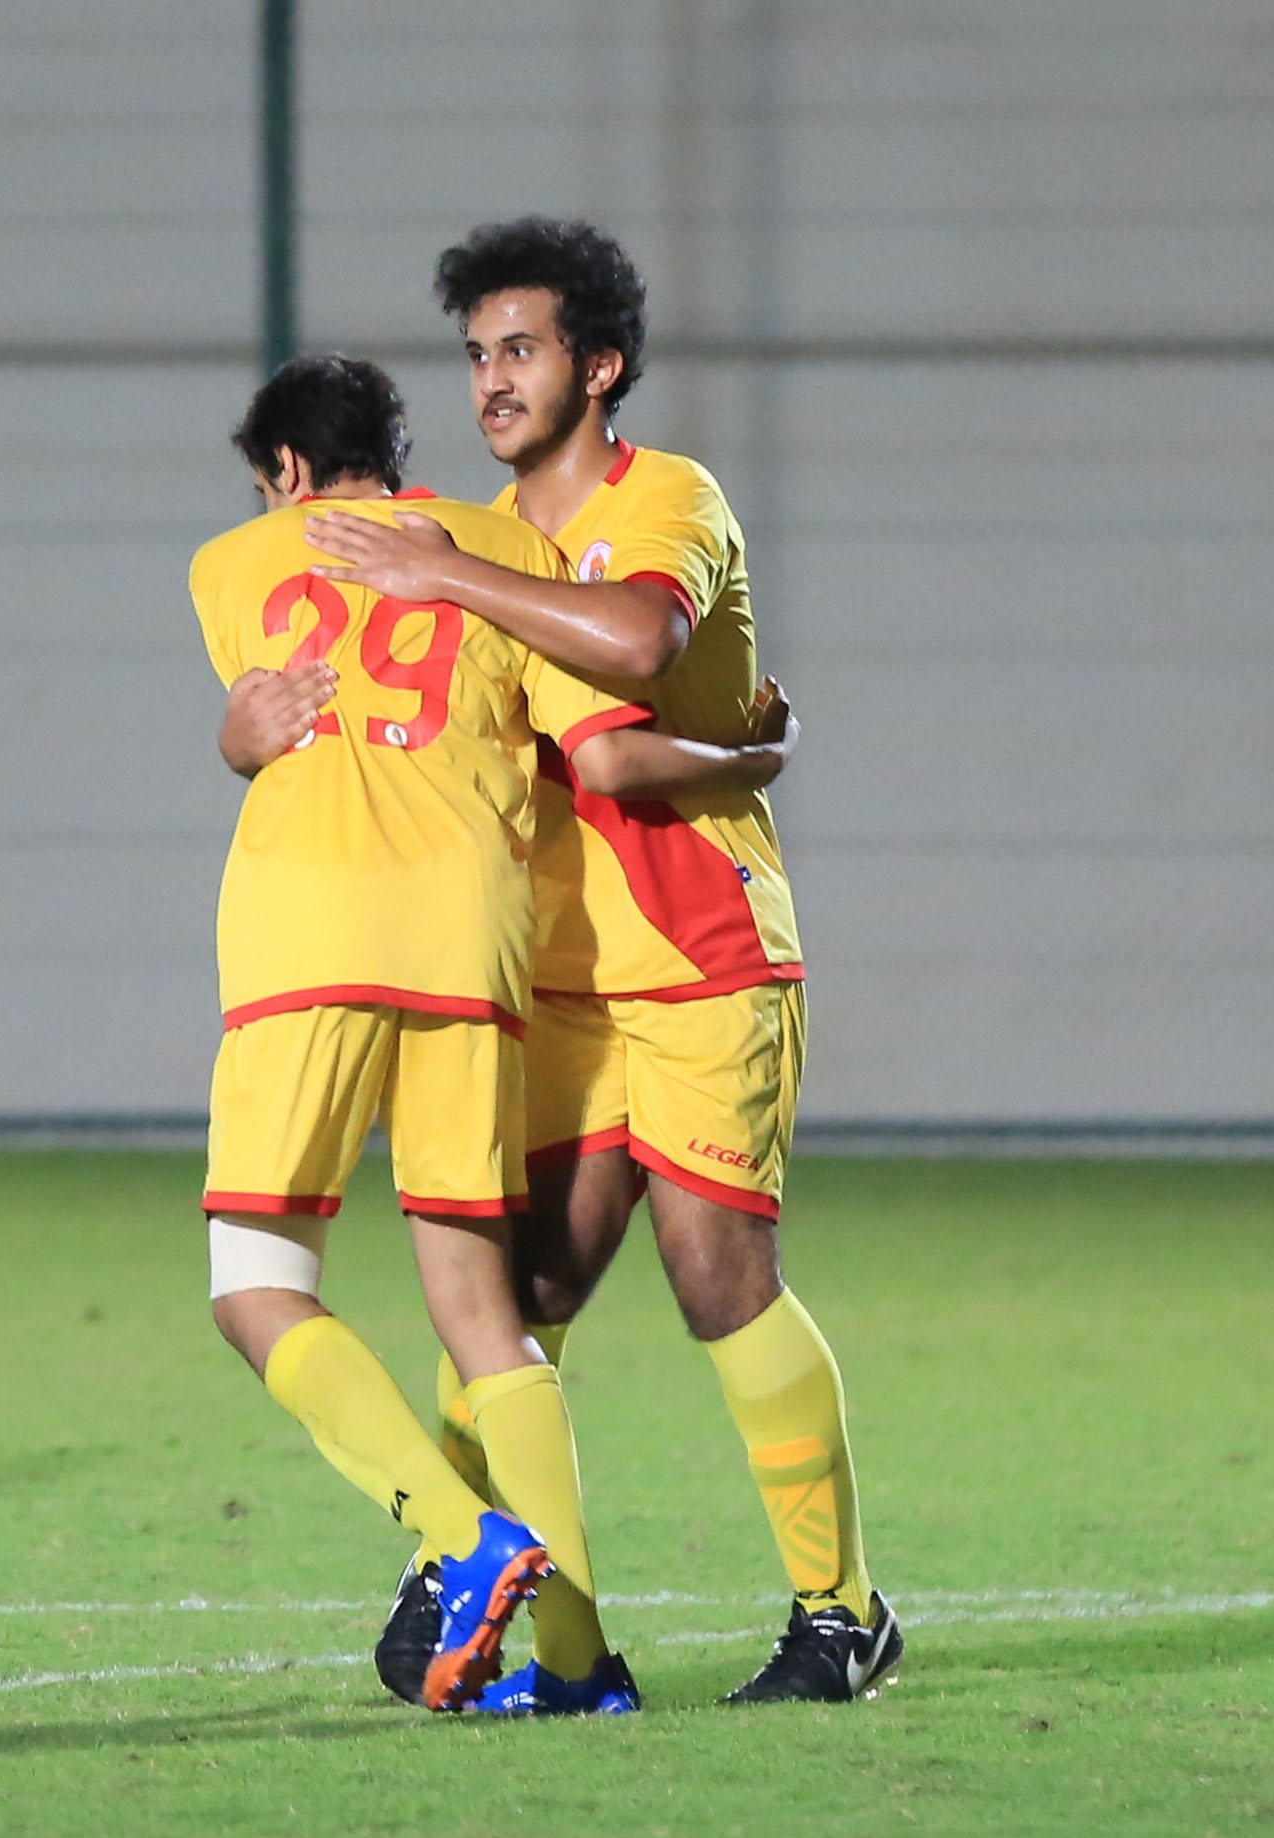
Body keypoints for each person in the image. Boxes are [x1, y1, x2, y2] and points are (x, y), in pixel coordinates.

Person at [298, 219, 902, 1710]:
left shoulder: (666, 499)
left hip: (701, 950)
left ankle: (842, 1615)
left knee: (719, 1278)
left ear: (602, 365)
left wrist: (456, 578)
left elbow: (635, 650)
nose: (492, 382)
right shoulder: (479, 540)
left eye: (521, 349)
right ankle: (482, 1582)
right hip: (559, 979)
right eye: (476, 356)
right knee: (522, 1288)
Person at [202, 352, 795, 1717]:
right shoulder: (508, 554)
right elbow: (604, 747)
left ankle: (457, 1535)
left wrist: (236, 743)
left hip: (309, 942)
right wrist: (757, 754)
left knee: (253, 1280)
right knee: (485, 1316)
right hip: (476, 955)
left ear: (286, 471)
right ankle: (580, 1666)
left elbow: (274, 719)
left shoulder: (226, 564)